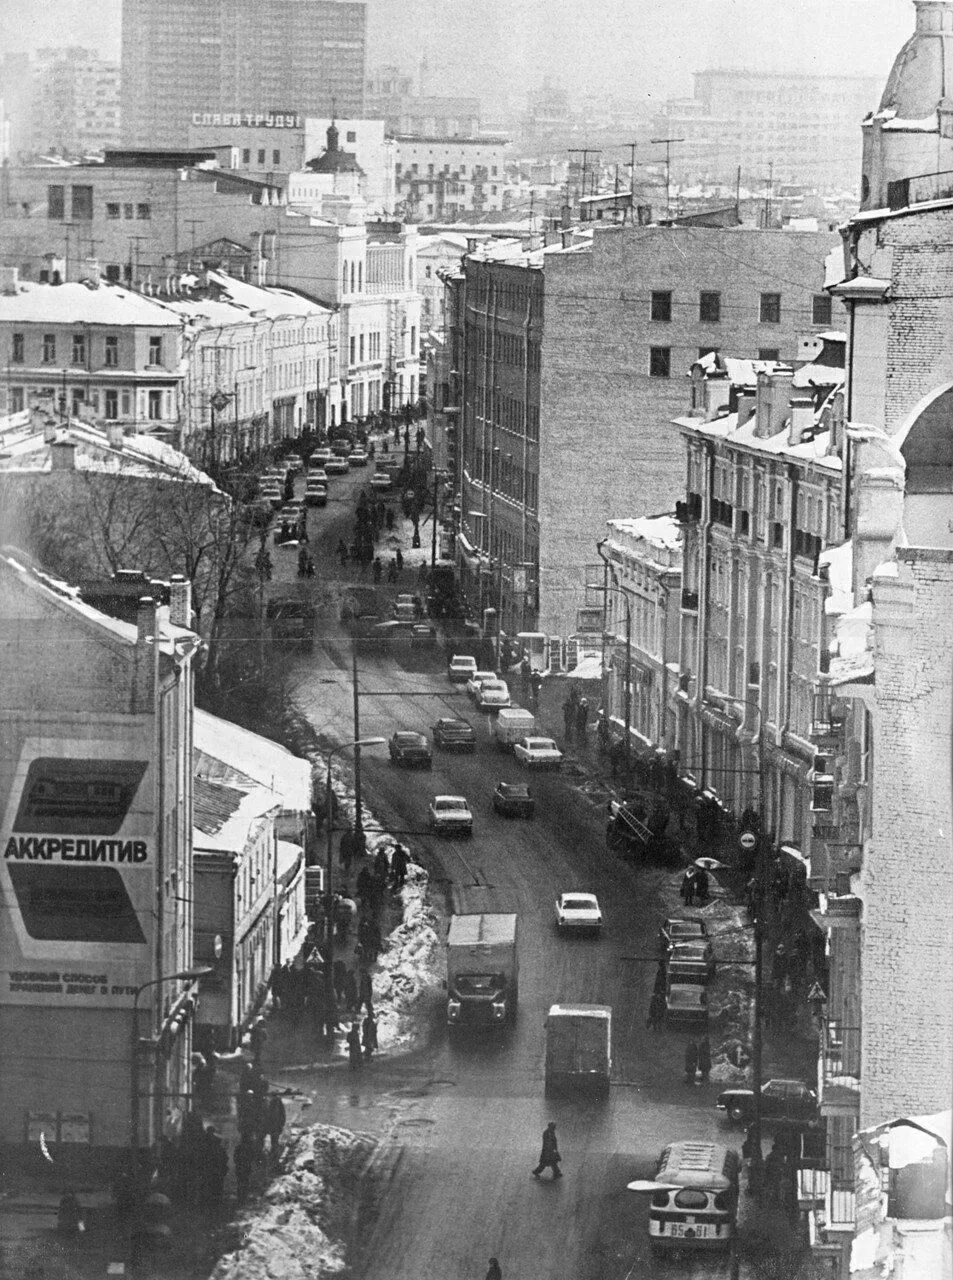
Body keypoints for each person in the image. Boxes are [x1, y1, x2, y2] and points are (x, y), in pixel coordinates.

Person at [266, 1093, 286, 1157]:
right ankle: (274, 1153)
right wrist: (281, 1125)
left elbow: (268, 1115)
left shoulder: (273, 1104)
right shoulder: (278, 1104)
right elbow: (283, 1115)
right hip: (276, 1126)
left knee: (274, 1141)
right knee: (274, 1140)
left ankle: (274, 1153)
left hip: (274, 1126)